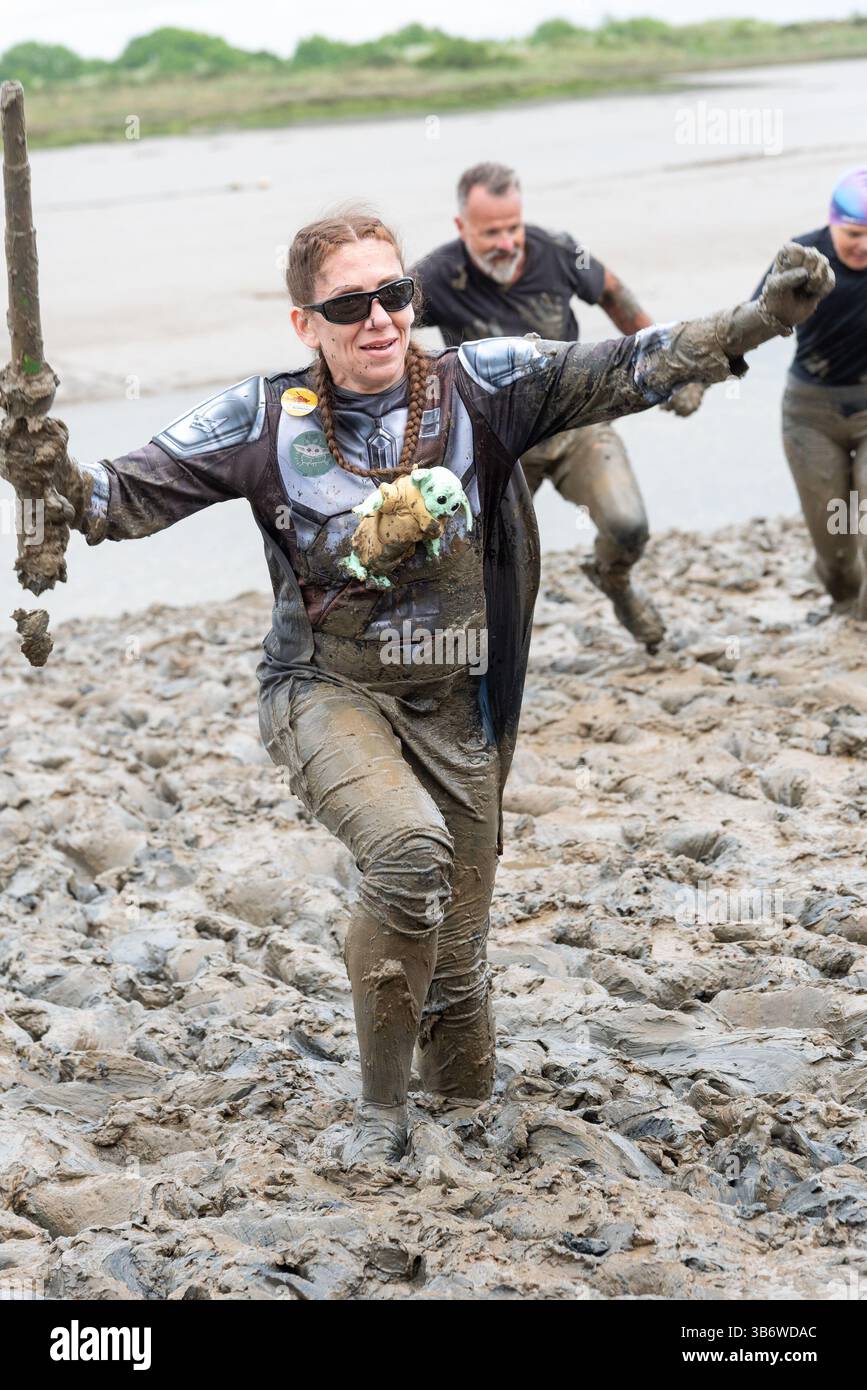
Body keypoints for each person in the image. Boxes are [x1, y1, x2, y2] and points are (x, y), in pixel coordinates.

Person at [2, 209, 832, 1167]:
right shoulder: (263, 418)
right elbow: (109, 500)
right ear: (304, 324)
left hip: (458, 705)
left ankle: (454, 1101)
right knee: (405, 854)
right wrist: (39, 459)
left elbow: (632, 362)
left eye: (393, 295)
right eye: (348, 304)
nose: (379, 320)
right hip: (325, 686)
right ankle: (377, 1113)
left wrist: (758, 319)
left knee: (459, 974)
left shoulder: (482, 385)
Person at [411, 162, 705, 652]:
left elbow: (613, 292)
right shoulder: (439, 276)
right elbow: (383, 323)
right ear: (462, 228)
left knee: (629, 526)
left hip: (576, 424)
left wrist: (668, 372)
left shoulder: (561, 252)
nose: (506, 243)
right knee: (472, 561)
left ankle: (613, 580)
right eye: (490, 233)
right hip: (497, 443)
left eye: (513, 228)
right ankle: (465, 656)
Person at [750, 168, 867, 613]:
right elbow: (751, 323)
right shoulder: (804, 257)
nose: (864, 246)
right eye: (853, 234)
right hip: (811, 413)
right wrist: (700, 376)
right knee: (836, 552)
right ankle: (844, 606)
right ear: (833, 222)